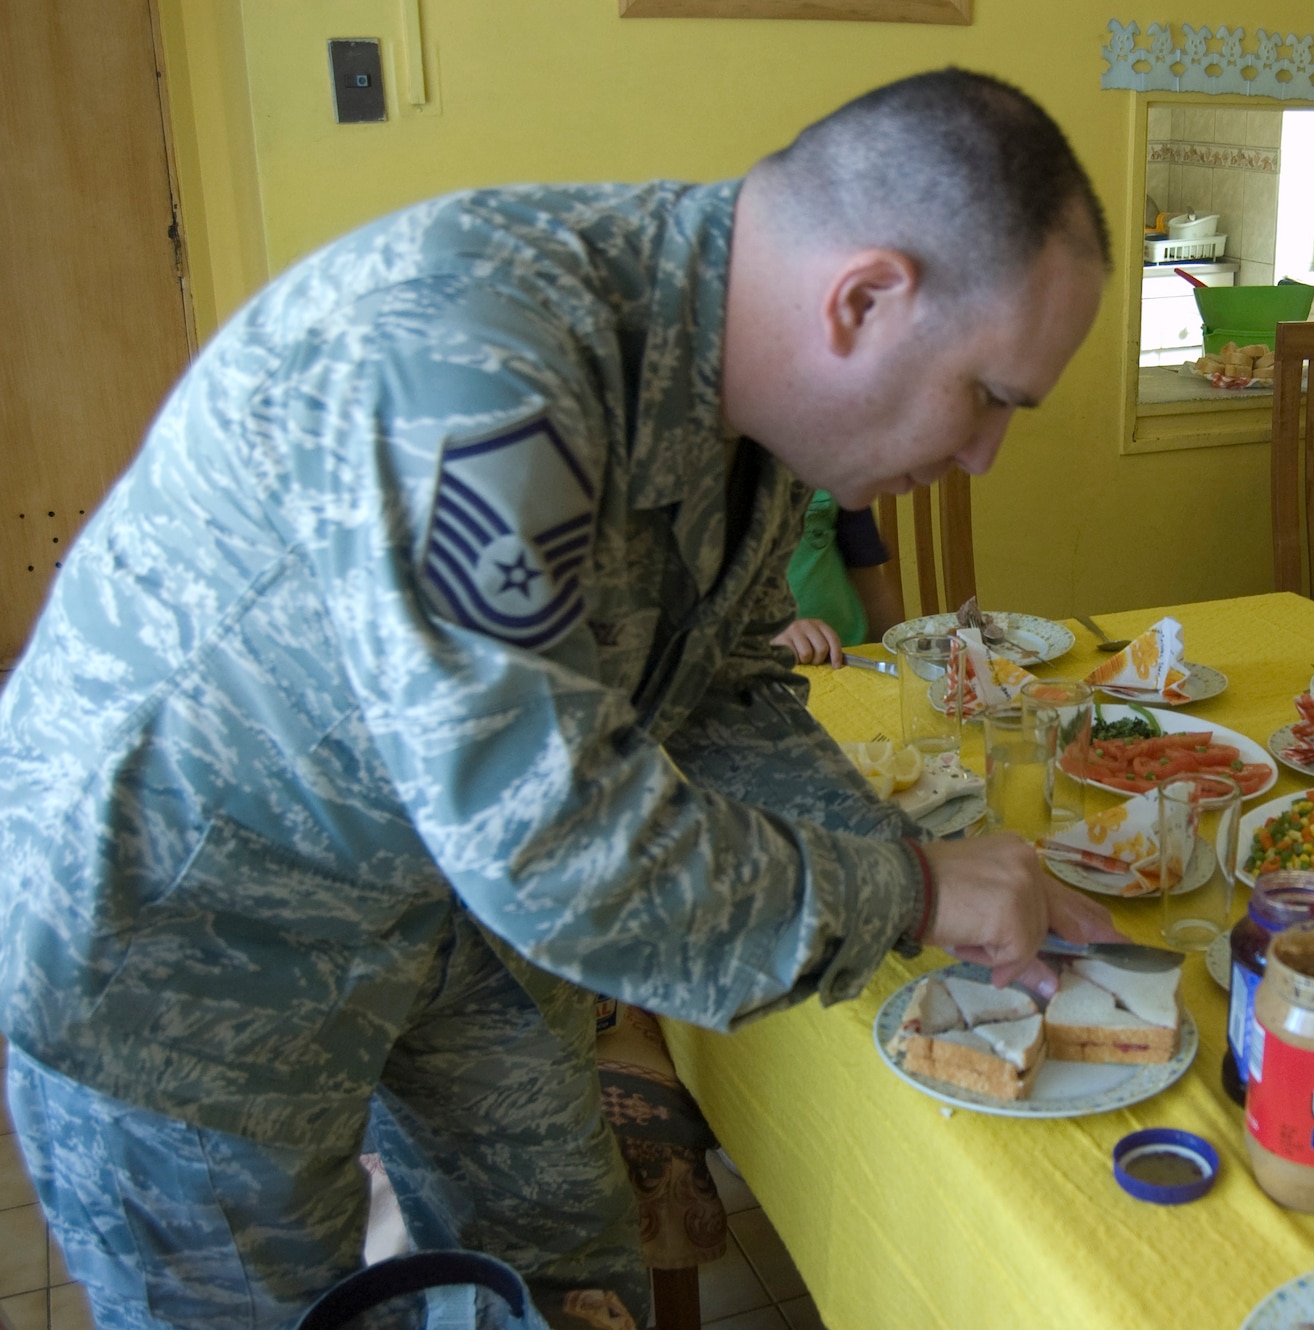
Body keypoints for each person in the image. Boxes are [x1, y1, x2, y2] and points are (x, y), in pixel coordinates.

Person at [0, 70, 1121, 1329]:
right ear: (862, 299)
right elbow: (555, 852)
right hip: (190, 940)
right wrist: (910, 890)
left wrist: (916, 866)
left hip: (445, 900)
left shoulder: (749, 412)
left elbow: (719, 693)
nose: (983, 456)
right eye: (990, 397)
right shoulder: (476, 360)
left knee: (570, 1274)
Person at [770, 490, 903, 666]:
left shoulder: (836, 476)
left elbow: (872, 590)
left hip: (850, 658)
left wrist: (903, 658)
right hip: (757, 669)